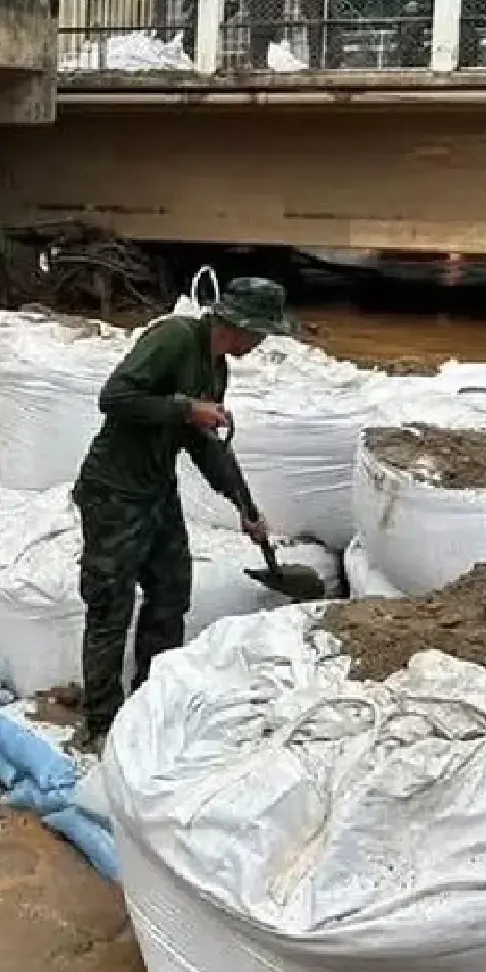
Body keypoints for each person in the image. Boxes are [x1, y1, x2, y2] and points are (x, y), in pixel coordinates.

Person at [71, 276, 294, 748]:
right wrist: (186, 408)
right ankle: (103, 724)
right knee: (112, 606)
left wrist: (244, 506)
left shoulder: (217, 369)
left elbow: (205, 446)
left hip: (156, 492)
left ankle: (150, 703)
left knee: (171, 595)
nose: (262, 343)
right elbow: (114, 398)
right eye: (262, 333)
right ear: (240, 324)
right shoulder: (174, 337)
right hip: (114, 491)